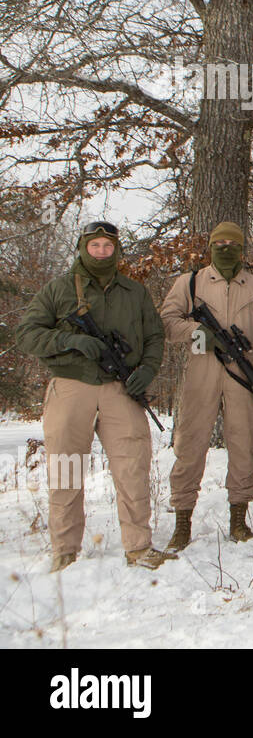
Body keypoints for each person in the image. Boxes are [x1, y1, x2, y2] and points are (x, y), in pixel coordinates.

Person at [16, 220, 174, 571]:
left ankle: (138, 547)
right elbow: (26, 334)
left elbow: (154, 337)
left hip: (121, 388)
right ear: (83, 247)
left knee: (132, 467)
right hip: (72, 386)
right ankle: (65, 550)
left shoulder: (135, 292)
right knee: (67, 467)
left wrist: (147, 370)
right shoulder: (58, 290)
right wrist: (69, 340)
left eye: (107, 246)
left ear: (116, 250)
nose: (101, 252)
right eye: (95, 246)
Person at [159, 221, 253, 550]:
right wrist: (199, 332)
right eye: (219, 243)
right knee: (190, 445)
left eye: (232, 243)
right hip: (202, 372)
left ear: (242, 249)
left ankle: (238, 520)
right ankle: (182, 521)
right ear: (210, 247)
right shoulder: (191, 282)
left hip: (244, 373)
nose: (225, 248)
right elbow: (168, 322)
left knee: (244, 446)